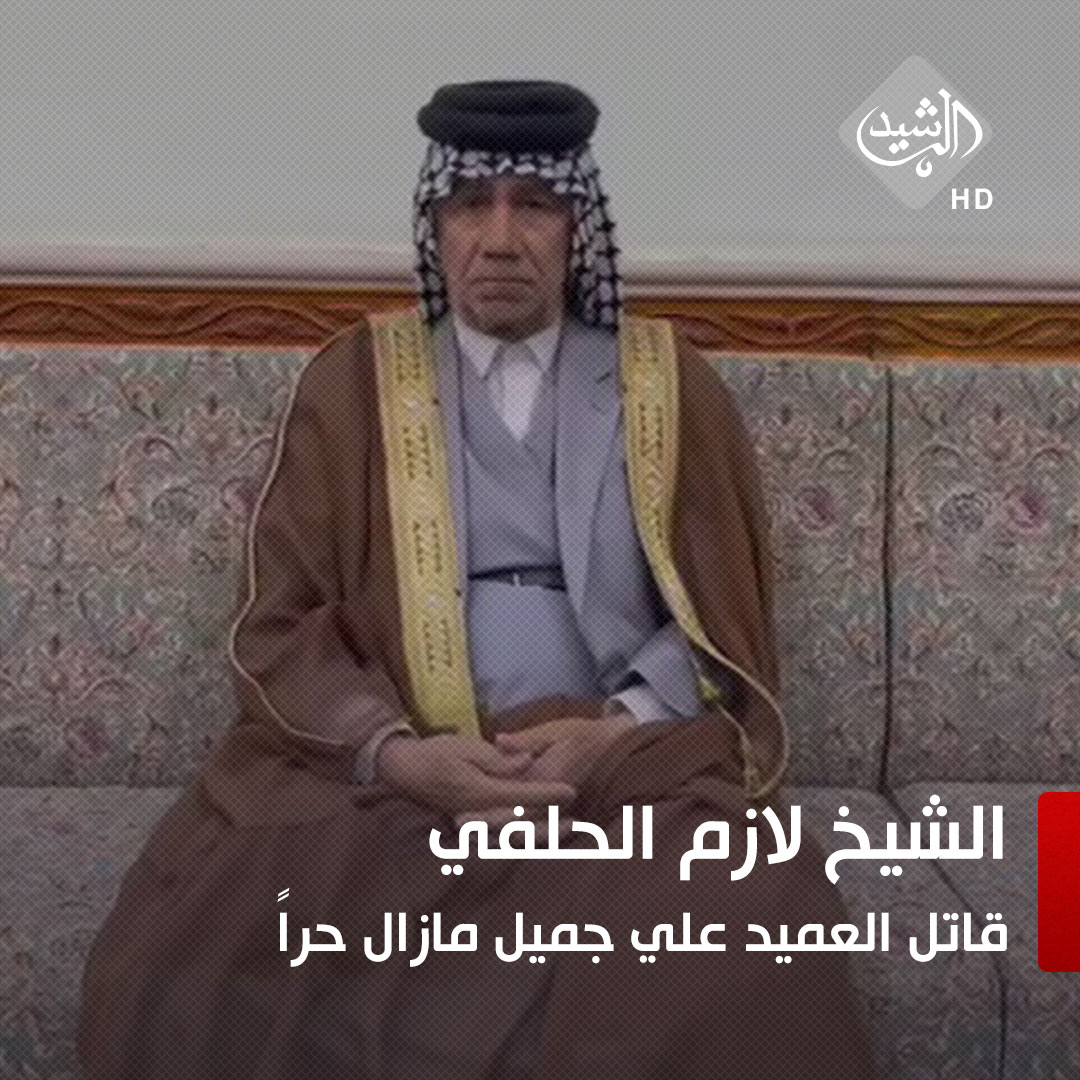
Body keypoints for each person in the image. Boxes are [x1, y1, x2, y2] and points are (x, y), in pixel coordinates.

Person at [76, 80, 880, 1080]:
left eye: (533, 205)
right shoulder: (352, 383)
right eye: (471, 206)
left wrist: (617, 728)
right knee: (245, 918)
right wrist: (398, 756)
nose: (500, 240)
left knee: (741, 916)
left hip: (621, 769)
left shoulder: (668, 383)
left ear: (578, 229)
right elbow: (280, 621)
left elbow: (722, 615)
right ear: (436, 226)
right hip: (405, 769)